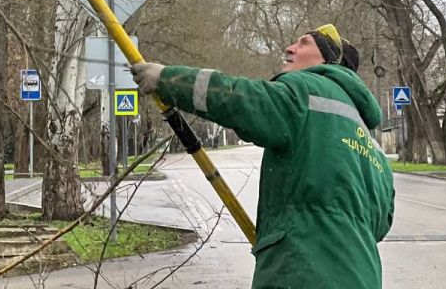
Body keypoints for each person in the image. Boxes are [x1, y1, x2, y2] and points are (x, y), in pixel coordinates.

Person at [131, 24, 394, 289]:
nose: (290, 48)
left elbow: (241, 99)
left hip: (302, 273)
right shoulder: (371, 143)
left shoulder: (306, 90)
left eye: (304, 43)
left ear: (327, 61)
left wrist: (168, 79)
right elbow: (382, 223)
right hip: (363, 276)